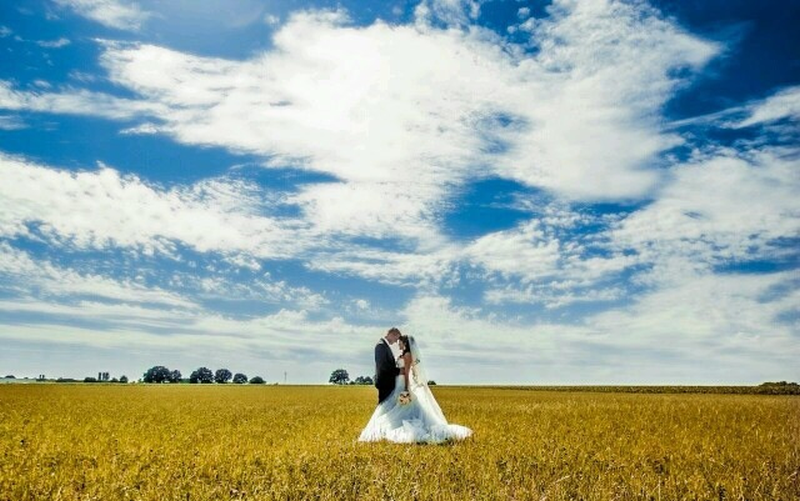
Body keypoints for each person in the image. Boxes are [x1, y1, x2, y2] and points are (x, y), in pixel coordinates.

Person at [358, 333, 473, 444]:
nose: (398, 344)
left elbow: (407, 373)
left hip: (403, 383)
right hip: (398, 382)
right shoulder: (404, 354)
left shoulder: (408, 355)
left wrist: (406, 388)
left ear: (405, 343)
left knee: (403, 407)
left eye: (400, 342)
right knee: (396, 406)